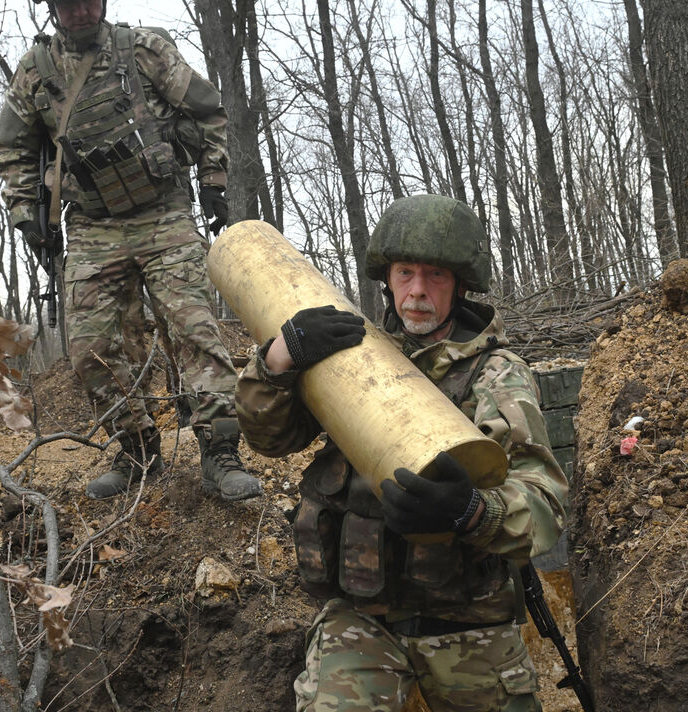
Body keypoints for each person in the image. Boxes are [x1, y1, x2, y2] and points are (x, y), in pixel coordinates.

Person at [235, 194, 569, 711]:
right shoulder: (351, 354)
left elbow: (545, 507)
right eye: (405, 272)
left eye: (434, 275)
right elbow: (270, 441)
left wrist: (471, 511)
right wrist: (279, 360)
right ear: (386, 280)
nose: (416, 291)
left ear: (459, 285)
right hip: (361, 619)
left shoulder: (496, 374)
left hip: (467, 623)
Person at [0, 0, 261, 502]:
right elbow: (14, 151)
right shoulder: (36, 72)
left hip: (163, 213)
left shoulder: (144, 49)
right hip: (91, 226)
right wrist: (28, 219)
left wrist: (214, 183)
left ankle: (219, 451)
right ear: (51, 7)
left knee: (195, 332)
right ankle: (137, 450)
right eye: (69, 4)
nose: (81, 10)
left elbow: (209, 112)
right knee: (90, 348)